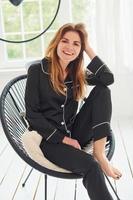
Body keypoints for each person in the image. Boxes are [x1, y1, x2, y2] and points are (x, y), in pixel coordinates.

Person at [25, 23, 122, 200]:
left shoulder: (76, 73)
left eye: (77, 44)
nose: (70, 47)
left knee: (103, 90)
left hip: (74, 132)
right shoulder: (37, 71)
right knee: (90, 166)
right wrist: (64, 139)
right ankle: (96, 161)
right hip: (50, 140)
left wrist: (88, 48)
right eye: (65, 41)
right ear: (56, 43)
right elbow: (32, 115)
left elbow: (108, 79)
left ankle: (99, 154)